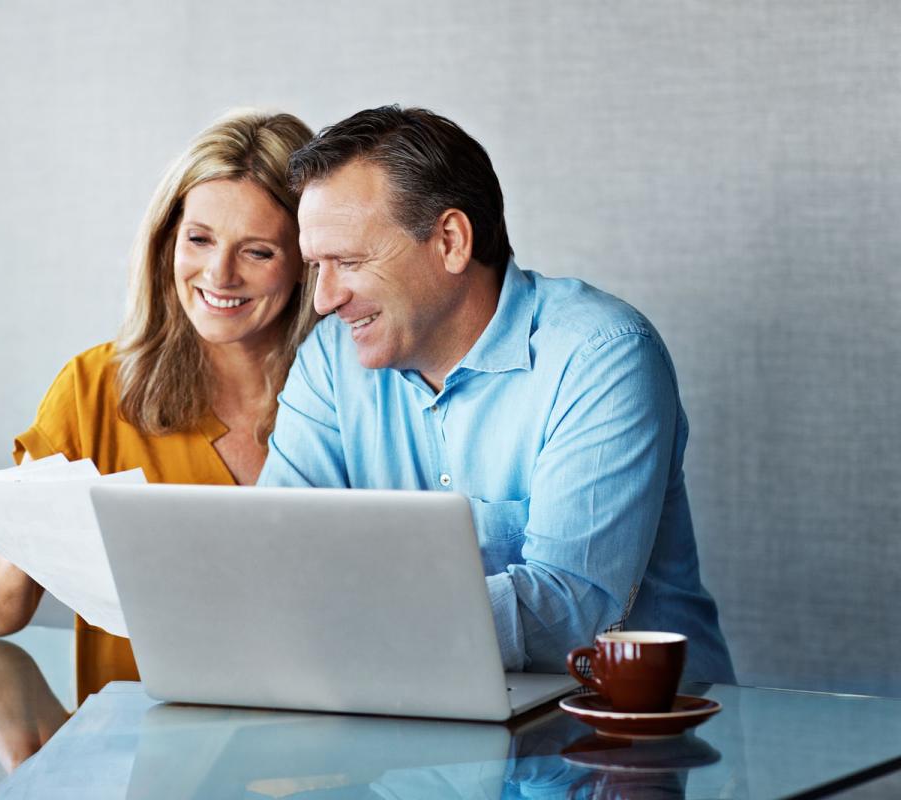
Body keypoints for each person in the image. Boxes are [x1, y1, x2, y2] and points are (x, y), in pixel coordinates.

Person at [259, 106, 735, 683]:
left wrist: (350, 619)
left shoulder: (601, 354)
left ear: (452, 241)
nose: (324, 300)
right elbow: (281, 562)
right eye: (316, 267)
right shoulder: (331, 364)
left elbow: (570, 610)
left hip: (633, 741)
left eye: (350, 262)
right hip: (425, 733)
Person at [0, 110, 318, 699]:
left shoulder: (353, 399)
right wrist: (40, 510)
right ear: (166, 242)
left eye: (257, 252)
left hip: (317, 754)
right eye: (199, 239)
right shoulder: (95, 386)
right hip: (135, 755)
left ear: (307, 262)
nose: (219, 275)